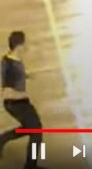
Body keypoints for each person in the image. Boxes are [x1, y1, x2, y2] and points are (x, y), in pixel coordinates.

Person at [0, 31, 43, 169]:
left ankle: (3, 138)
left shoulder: (12, 58)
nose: (27, 45)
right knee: (36, 132)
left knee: (32, 128)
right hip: (16, 104)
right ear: (19, 46)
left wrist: (26, 75)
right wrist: (23, 95)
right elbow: (6, 93)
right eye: (25, 43)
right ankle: (30, 166)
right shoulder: (10, 64)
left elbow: (15, 75)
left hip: (19, 103)